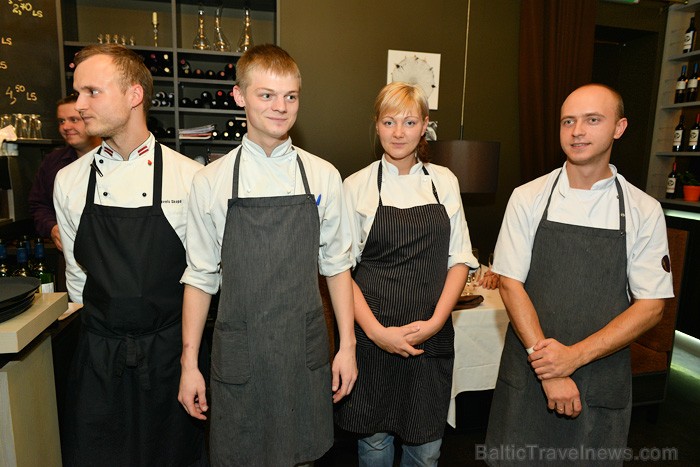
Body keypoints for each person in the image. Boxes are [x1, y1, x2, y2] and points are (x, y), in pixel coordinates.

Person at [177, 44, 358, 466]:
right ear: (239, 96)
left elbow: (337, 266)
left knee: (305, 457)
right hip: (242, 354)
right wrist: (189, 364)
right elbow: (200, 277)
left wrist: (347, 346)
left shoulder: (323, 175)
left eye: (290, 96)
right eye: (267, 95)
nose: (281, 107)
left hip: (304, 353)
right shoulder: (210, 181)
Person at [484, 84, 673, 466]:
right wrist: (550, 369)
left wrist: (573, 358)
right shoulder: (528, 196)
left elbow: (652, 306)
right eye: (568, 121)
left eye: (592, 120)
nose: (577, 131)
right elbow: (510, 283)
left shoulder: (643, 209)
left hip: (601, 376)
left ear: (619, 128)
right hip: (531, 373)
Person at [53, 44, 206, 466]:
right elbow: (78, 278)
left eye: (91, 92)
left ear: (134, 95)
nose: (79, 105)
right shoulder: (68, 181)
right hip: (99, 356)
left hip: (171, 356)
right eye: (77, 92)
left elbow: (204, 275)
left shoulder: (191, 178)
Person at [334, 82, 480, 466]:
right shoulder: (356, 186)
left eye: (410, 121)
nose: (399, 132)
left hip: (429, 340)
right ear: (377, 125)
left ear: (425, 126)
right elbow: (341, 271)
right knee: (375, 445)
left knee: (426, 449)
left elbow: (459, 260)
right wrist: (378, 333)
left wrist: (434, 322)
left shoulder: (445, 182)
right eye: (389, 121)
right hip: (372, 337)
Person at [28, 94, 100, 250]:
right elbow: (38, 206)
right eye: (61, 121)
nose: (66, 127)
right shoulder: (53, 162)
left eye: (74, 120)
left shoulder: (117, 159)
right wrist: (52, 228)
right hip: (67, 255)